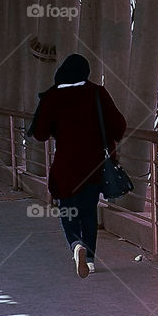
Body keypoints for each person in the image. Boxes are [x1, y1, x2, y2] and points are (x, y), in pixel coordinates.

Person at [28, 54, 126, 279]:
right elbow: (119, 126)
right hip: (94, 165)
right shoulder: (97, 93)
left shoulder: (53, 96)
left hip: (66, 167)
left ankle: (76, 245)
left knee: (68, 209)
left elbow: (40, 133)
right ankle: (90, 260)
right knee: (89, 210)